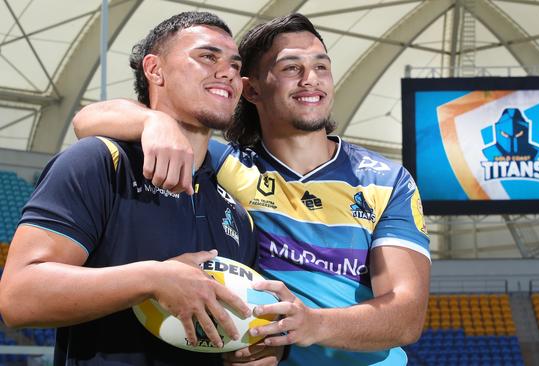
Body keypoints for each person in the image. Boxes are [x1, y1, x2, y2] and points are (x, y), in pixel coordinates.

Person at [73, 13, 431, 366]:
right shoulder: (223, 165)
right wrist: (155, 121)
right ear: (252, 88)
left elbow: (406, 316)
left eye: (322, 67)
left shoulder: (386, 179)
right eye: (292, 68)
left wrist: (312, 325)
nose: (312, 80)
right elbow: (86, 120)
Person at [0, 12, 283, 366]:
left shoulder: (237, 214)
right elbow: (18, 297)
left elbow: (218, 334)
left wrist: (254, 346)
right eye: (208, 57)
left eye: (233, 64)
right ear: (155, 69)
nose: (227, 72)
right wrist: (152, 279)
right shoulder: (99, 162)